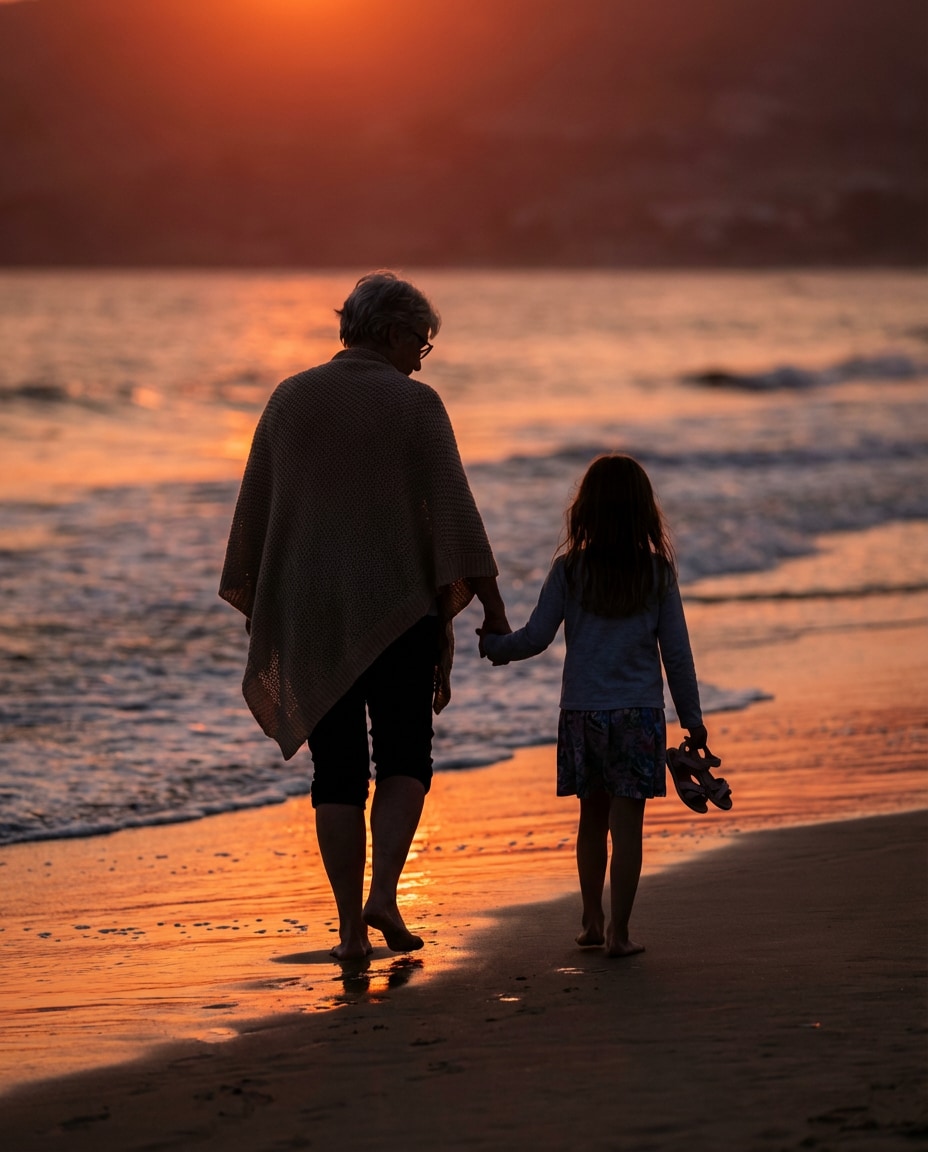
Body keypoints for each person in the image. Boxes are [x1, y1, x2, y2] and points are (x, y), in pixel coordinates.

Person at [219, 270, 509, 962]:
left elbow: (255, 519)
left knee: (337, 771)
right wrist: (493, 610)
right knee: (407, 754)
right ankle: (384, 895)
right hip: (398, 607)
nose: (420, 356)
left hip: (311, 614)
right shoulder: (414, 404)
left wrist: (269, 612)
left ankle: (350, 930)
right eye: (420, 341)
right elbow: (457, 521)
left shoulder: (288, 399)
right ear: (389, 331)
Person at [479, 453, 714, 958]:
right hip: (639, 718)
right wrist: (692, 720)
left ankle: (590, 918)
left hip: (583, 715)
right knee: (627, 828)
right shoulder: (656, 574)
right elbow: (677, 654)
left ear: (584, 510)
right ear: (643, 513)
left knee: (592, 820)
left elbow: (536, 637)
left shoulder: (570, 572)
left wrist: (496, 646)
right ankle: (619, 933)